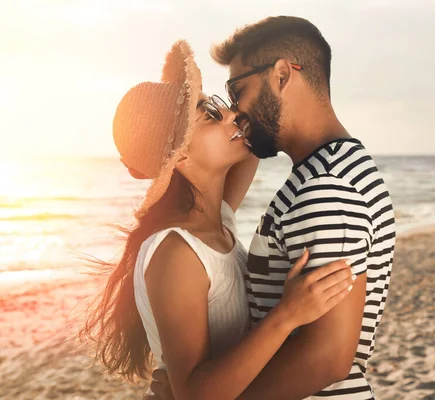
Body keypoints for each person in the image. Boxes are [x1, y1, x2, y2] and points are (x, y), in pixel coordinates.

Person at [80, 39, 356, 400]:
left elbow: (255, 137)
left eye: (221, 105)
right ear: (178, 157)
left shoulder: (216, 219)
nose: (232, 115)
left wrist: (265, 90)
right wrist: (286, 315)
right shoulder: (177, 251)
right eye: (210, 115)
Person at [148, 16, 396, 400]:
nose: (235, 111)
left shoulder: (324, 188)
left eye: (237, 90)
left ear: (281, 75)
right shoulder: (330, 169)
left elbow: (328, 357)